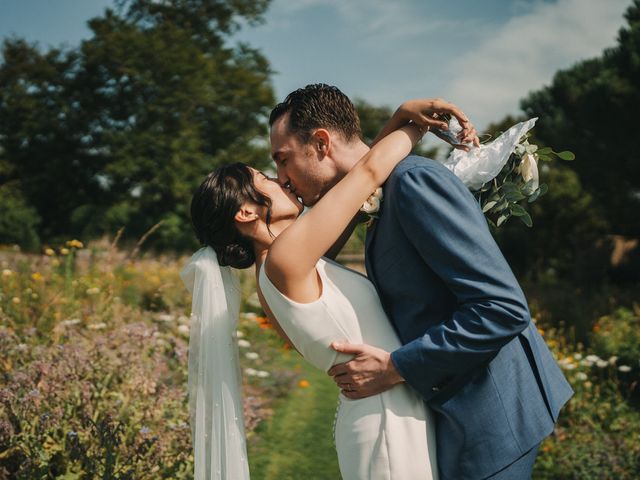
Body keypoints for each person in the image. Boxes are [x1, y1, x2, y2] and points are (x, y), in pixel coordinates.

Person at [269, 84, 573, 480]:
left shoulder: (412, 183)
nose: (282, 178)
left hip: (489, 412)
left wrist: (396, 367)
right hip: (455, 408)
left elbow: (502, 308)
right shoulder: (378, 196)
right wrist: (399, 124)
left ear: (322, 143)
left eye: (283, 159)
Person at [183, 98, 477, 479]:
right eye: (267, 179)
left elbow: (357, 186)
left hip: (386, 408)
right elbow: (369, 172)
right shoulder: (286, 259)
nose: (282, 179)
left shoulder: (282, 264)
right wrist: (416, 122)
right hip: (384, 418)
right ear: (246, 212)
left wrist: (398, 120)